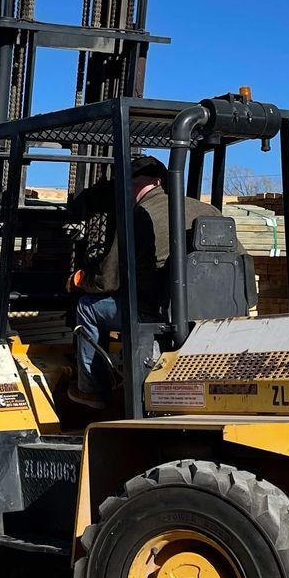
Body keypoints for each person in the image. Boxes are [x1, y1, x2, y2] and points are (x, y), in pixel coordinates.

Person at [64, 154, 221, 408]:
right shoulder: (209, 211)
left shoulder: (138, 216)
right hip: (213, 316)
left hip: (157, 314)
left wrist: (81, 279)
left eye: (126, 186)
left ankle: (91, 389)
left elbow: (107, 281)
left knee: (87, 307)